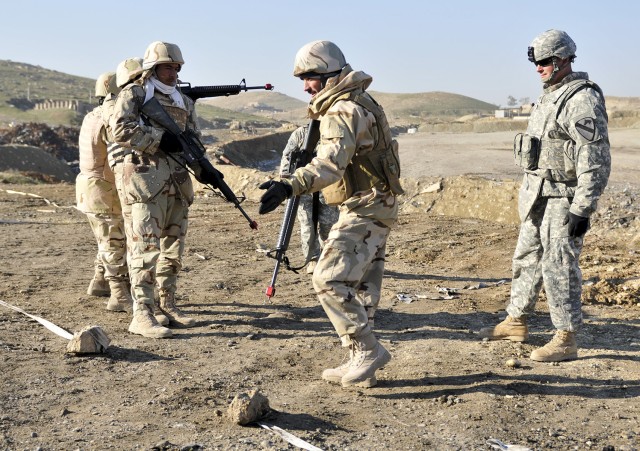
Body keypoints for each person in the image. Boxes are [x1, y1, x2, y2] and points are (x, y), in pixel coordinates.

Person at [258, 40, 404, 387]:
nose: (305, 86)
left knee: (328, 278)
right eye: (302, 78)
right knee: (362, 285)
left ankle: (367, 350)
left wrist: (288, 185)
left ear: (331, 74)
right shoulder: (358, 100)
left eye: (311, 77)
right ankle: (361, 360)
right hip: (376, 204)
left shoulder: (343, 110)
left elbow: (329, 166)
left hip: (365, 208)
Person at [479, 30, 611, 362]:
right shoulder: (549, 95)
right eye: (536, 63)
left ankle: (565, 337)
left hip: (563, 199)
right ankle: (516, 320)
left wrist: (582, 208)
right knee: (526, 258)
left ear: (564, 59)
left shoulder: (581, 99)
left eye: (545, 62)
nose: (538, 68)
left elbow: (594, 159)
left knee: (559, 266)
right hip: (538, 196)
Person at [110, 41, 199, 338]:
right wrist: (159, 139)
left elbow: (193, 138)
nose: (173, 73)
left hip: (177, 182)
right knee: (144, 249)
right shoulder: (135, 93)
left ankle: (167, 303)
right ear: (152, 68)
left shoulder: (183, 100)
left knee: (173, 249)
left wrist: (205, 168)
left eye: (176, 68)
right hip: (147, 181)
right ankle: (142, 313)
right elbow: (121, 129)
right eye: (167, 67)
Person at [76, 71, 132, 312]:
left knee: (106, 239)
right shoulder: (109, 120)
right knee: (114, 243)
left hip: (90, 187)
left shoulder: (92, 116)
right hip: (104, 189)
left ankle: (99, 282)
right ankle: (118, 295)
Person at [279, 124, 339, 274]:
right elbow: (287, 157)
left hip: (327, 186)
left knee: (329, 225)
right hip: (302, 187)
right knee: (307, 225)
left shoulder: (332, 132)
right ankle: (312, 259)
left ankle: (328, 259)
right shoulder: (300, 134)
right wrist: (286, 184)